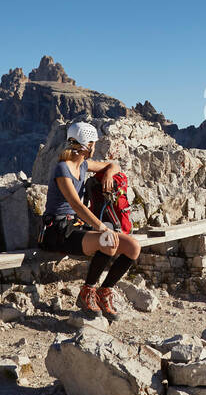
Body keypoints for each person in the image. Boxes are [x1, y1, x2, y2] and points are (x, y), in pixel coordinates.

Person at [39, 121, 141, 318]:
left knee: (133, 247)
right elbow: (77, 205)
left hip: (74, 226)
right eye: (93, 143)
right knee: (109, 241)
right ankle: (87, 292)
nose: (95, 146)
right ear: (87, 145)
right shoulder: (63, 169)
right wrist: (102, 228)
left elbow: (114, 165)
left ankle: (104, 292)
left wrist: (109, 174)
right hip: (57, 230)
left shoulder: (84, 165)